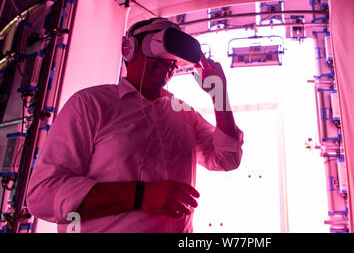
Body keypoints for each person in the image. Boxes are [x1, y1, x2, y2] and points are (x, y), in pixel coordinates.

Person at [26, 18, 244, 233]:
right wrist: (140, 195)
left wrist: (219, 94)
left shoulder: (184, 113)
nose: (168, 65)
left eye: (172, 61)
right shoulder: (90, 104)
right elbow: (42, 195)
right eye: (158, 59)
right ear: (129, 49)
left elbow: (227, 159)